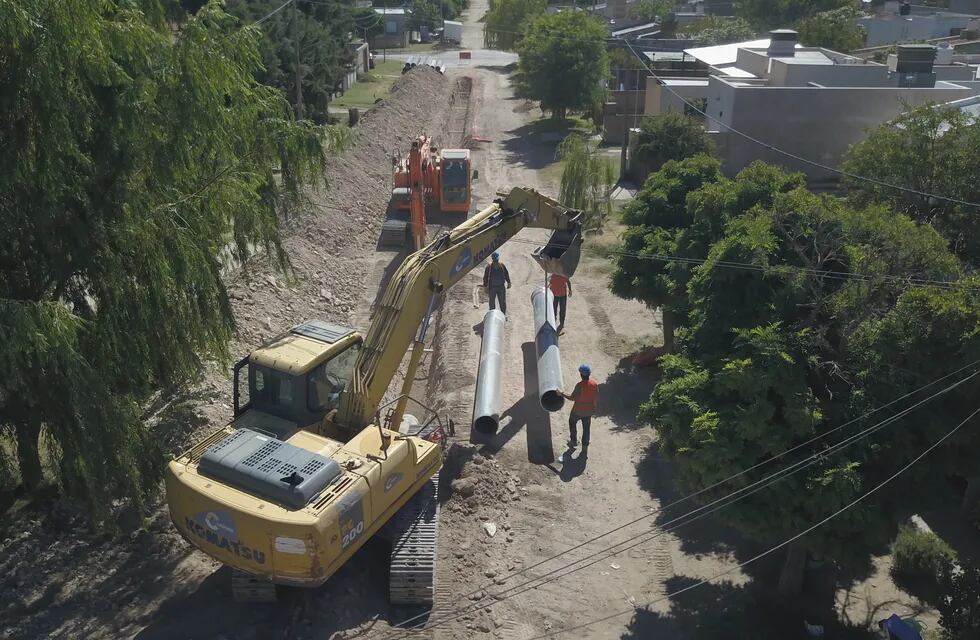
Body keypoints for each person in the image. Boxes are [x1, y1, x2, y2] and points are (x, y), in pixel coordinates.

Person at [561, 364, 598, 449]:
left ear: (581, 374)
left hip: (578, 410)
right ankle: (585, 445)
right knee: (586, 428)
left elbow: (572, 398)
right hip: (589, 411)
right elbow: (595, 398)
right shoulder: (594, 384)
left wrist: (562, 394)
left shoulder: (579, 386)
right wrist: (594, 408)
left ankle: (573, 441)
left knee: (572, 422)